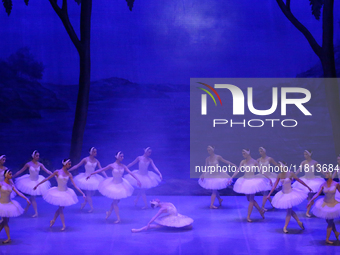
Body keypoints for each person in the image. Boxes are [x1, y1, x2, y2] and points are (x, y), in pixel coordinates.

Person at [87, 151, 141, 223]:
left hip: (121, 184)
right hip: (113, 185)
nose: (122, 158)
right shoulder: (112, 165)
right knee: (115, 201)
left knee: (117, 201)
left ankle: (109, 212)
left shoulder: (123, 166)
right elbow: (101, 169)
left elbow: (130, 173)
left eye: (123, 156)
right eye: (121, 156)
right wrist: (91, 174)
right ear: (117, 157)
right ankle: (118, 218)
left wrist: (137, 180)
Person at [34, 159, 86, 231]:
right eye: (69, 164)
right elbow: (47, 178)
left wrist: (82, 193)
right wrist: (37, 184)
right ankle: (64, 225)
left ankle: (53, 220)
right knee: (61, 209)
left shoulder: (69, 174)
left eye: (70, 164)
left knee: (60, 208)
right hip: (58, 192)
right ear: (65, 164)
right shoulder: (57, 172)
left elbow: (75, 185)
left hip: (66, 192)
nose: (70, 165)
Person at [267, 161, 312, 233]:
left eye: (279, 166)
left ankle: (285, 227)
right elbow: (274, 186)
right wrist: (269, 194)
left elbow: (299, 180)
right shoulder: (279, 175)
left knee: (288, 211)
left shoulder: (290, 173)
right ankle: (299, 222)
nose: (278, 168)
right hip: (283, 194)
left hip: (291, 194)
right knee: (289, 210)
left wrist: (308, 187)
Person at [229, 149, 267, 222]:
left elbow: (261, 171)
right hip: (245, 181)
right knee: (249, 199)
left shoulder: (254, 162)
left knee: (251, 200)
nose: (243, 155)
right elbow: (238, 170)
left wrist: (269, 178)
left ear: (248, 153)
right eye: (242, 153)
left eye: (244, 153)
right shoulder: (243, 162)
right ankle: (260, 211)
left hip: (252, 182)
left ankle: (248, 216)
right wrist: (231, 177)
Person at [13, 150, 53, 217]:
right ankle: (36, 212)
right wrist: (13, 176)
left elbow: (47, 170)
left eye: (38, 156)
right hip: (30, 181)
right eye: (37, 156)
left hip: (38, 181)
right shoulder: (28, 164)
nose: (38, 157)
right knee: (33, 197)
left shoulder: (40, 164)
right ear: (33, 156)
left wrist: (53, 174)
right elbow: (20, 171)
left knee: (32, 197)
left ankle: (26, 208)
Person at [69, 147, 107, 212]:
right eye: (94, 152)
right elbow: (77, 166)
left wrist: (106, 176)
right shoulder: (85, 159)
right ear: (91, 152)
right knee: (89, 194)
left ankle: (83, 203)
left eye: (96, 152)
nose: (96, 153)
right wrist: (68, 170)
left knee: (91, 193)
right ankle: (92, 208)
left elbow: (101, 169)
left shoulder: (96, 161)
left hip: (94, 178)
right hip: (86, 178)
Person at [308, 170, 340, 244]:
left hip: (333, 205)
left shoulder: (336, 184)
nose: (326, 174)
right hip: (324, 204)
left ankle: (327, 239)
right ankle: (336, 232)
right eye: (325, 173)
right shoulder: (323, 184)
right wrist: (310, 201)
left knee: (330, 222)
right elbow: (317, 194)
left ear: (331, 174)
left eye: (327, 173)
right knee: (328, 220)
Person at [0, 169, 31, 244]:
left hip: (9, 204)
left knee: (4, 221)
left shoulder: (11, 184)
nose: (11, 175)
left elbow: (18, 193)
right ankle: (9, 238)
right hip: (2, 204)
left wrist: (26, 198)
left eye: (11, 174)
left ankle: (8, 238)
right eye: (10, 174)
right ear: (6, 175)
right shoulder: (1, 184)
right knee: (5, 221)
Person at [292, 150, 325, 217]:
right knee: (308, 197)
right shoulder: (303, 162)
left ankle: (307, 212)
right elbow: (299, 169)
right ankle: (311, 204)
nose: (304, 156)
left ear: (309, 155)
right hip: (305, 180)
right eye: (304, 154)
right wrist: (293, 175)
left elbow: (320, 170)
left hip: (313, 181)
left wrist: (326, 174)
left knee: (310, 197)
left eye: (306, 154)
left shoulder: (315, 163)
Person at [257, 147, 280, 211]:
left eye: (261, 151)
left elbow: (276, 164)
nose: (260, 152)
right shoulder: (258, 160)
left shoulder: (269, 159)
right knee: (265, 193)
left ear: (264, 151)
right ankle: (272, 204)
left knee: (265, 193)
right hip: (262, 177)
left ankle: (262, 206)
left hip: (269, 177)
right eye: (259, 151)